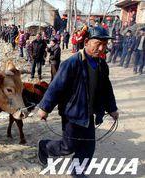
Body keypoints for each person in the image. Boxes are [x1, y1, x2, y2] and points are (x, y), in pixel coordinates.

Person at [37, 26, 119, 174]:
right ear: (86, 42)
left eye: (105, 45)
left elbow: (107, 89)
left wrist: (112, 108)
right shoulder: (72, 63)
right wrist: (45, 107)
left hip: (89, 114)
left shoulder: (101, 65)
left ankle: (77, 172)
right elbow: (56, 87)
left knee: (88, 148)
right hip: (72, 114)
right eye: (98, 44)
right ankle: (44, 146)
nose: (101, 48)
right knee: (68, 147)